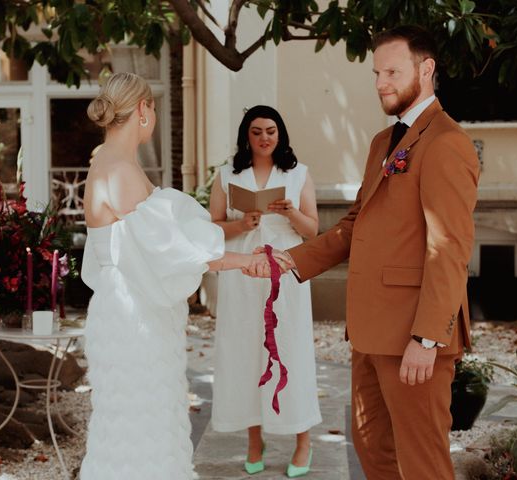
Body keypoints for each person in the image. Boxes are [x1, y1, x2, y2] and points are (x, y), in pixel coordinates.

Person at [251, 26, 480, 479]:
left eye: (392, 71)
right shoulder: (383, 142)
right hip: (372, 331)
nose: (380, 83)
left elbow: (449, 247)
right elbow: (358, 223)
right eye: (377, 73)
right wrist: (292, 259)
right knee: (371, 446)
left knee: (422, 461)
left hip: (415, 335)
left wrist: (427, 338)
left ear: (426, 69)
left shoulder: (446, 143)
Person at [80, 73, 269, 479]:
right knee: (142, 423)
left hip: (122, 308)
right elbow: (174, 252)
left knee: (130, 422)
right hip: (134, 319)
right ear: (144, 110)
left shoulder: (107, 164)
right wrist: (245, 261)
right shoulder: (120, 172)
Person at [210, 105, 322, 478]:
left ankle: (303, 441)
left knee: (291, 350)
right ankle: (253, 440)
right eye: (256, 131)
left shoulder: (298, 173)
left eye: (270, 131)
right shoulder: (227, 174)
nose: (263, 138)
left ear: (280, 134)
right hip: (240, 273)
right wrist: (240, 224)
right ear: (247, 135)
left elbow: (312, 232)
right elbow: (211, 230)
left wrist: (289, 212)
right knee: (244, 352)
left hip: (285, 274)